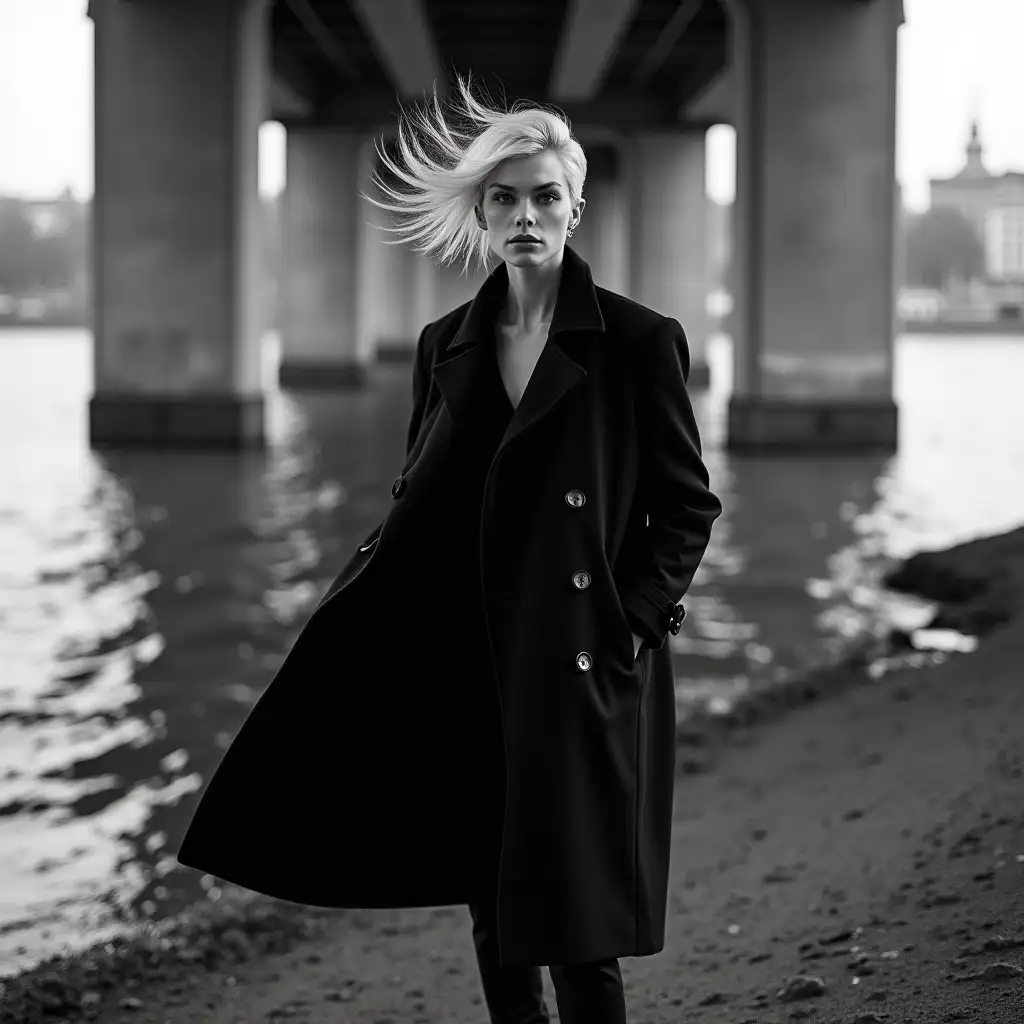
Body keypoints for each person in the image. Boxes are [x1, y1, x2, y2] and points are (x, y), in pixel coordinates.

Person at [176, 71, 722, 1024]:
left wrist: (630, 625)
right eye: (503, 198)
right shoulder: (445, 345)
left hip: (585, 663)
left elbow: (685, 507)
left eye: (544, 197)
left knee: (582, 931)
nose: (525, 217)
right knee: (497, 913)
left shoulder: (639, 341)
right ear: (479, 213)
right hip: (471, 663)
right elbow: (426, 507)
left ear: (575, 207)